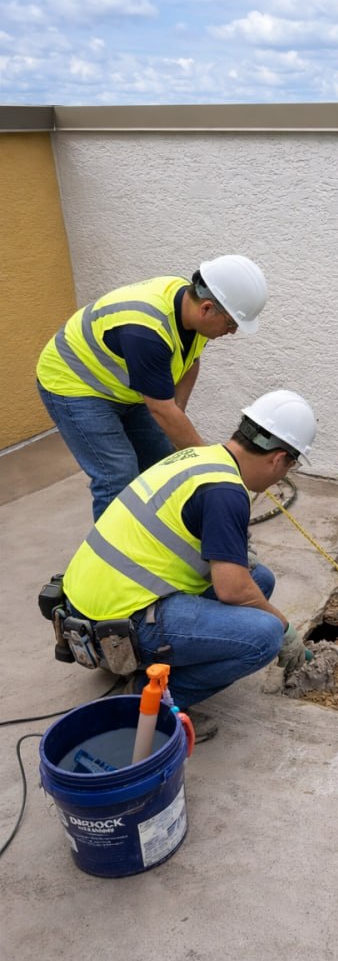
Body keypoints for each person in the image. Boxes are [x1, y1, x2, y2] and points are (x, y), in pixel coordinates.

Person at [59, 390, 316, 714]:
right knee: (265, 636)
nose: (284, 475)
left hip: (84, 606)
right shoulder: (225, 492)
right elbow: (233, 590)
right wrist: (285, 629)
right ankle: (146, 702)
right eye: (290, 465)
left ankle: (138, 662)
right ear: (278, 459)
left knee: (260, 579)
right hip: (115, 622)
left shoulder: (199, 457)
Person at [36, 255, 268, 519]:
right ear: (206, 309)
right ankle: (114, 544)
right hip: (74, 384)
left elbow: (190, 361)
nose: (233, 332)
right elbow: (161, 409)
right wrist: (213, 465)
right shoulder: (146, 331)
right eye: (231, 323)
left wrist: (176, 412)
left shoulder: (188, 307)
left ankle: (155, 529)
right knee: (118, 474)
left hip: (124, 387)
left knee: (161, 460)